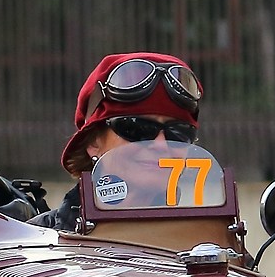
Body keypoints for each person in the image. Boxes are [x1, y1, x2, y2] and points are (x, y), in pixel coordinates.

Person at [42, 53, 206, 231]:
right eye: (137, 128)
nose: (161, 145)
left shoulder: (209, 247)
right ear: (93, 141)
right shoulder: (32, 246)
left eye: (178, 133)